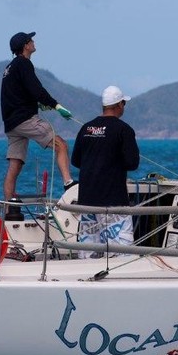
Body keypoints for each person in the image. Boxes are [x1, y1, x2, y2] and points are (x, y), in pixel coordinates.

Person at [1, 31, 75, 201]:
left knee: (15, 164)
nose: (33, 42)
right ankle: (68, 183)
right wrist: (56, 105)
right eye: (31, 40)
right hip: (25, 119)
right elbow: (36, 89)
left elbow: (19, 92)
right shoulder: (24, 64)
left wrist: (37, 102)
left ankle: (8, 204)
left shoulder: (9, 68)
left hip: (11, 124)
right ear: (26, 46)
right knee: (61, 145)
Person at [71, 86, 141, 252]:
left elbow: (75, 160)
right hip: (113, 201)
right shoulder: (124, 130)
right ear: (119, 105)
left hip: (87, 202)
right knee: (122, 253)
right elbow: (132, 163)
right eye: (124, 103)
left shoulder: (86, 128)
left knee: (88, 252)